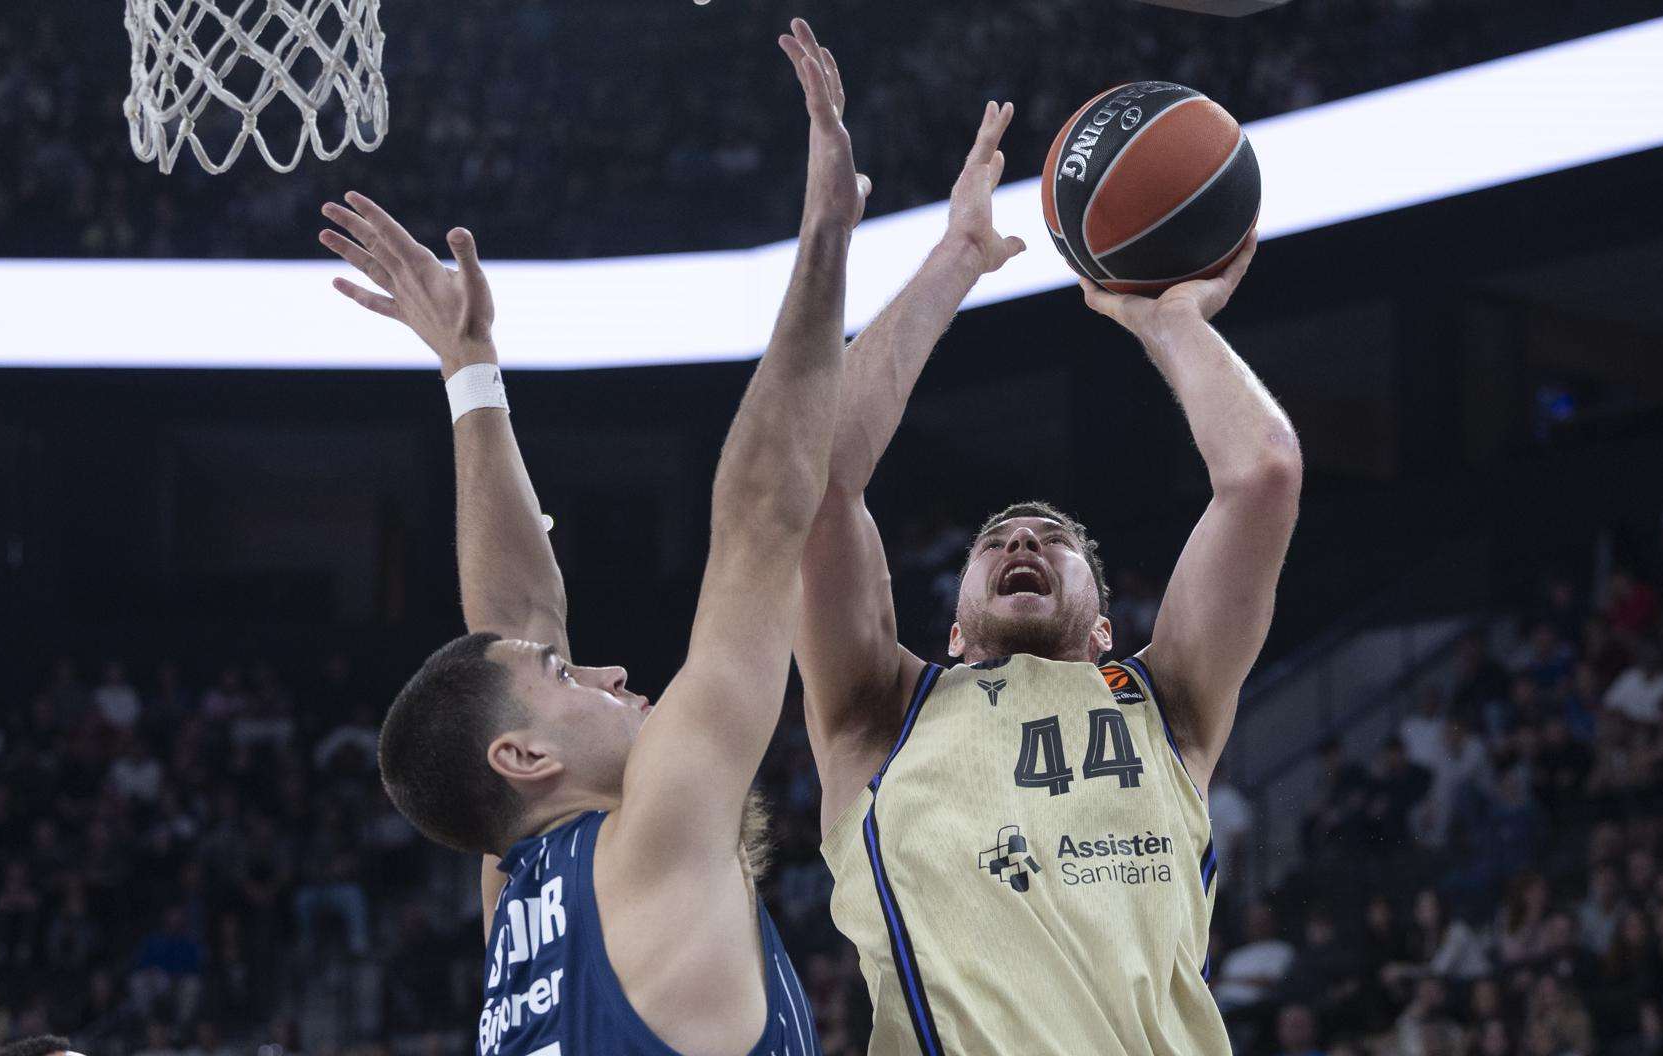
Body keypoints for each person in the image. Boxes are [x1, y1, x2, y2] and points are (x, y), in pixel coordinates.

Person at [321, 18, 863, 1054]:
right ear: (523, 755)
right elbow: (760, 520)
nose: (611, 671)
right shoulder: (653, 831)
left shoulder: (515, 894)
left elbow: (511, 622)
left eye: (573, 670)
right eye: (569, 678)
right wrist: (826, 239)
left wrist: (471, 371)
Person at [794, 93, 1294, 1052]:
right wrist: (957, 260)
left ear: (1107, 625)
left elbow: (1263, 475)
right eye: (997, 543)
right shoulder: (880, 713)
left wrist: (1168, 320)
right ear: (952, 630)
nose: (1022, 544)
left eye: (1052, 541)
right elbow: (820, 484)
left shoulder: (1168, 700)